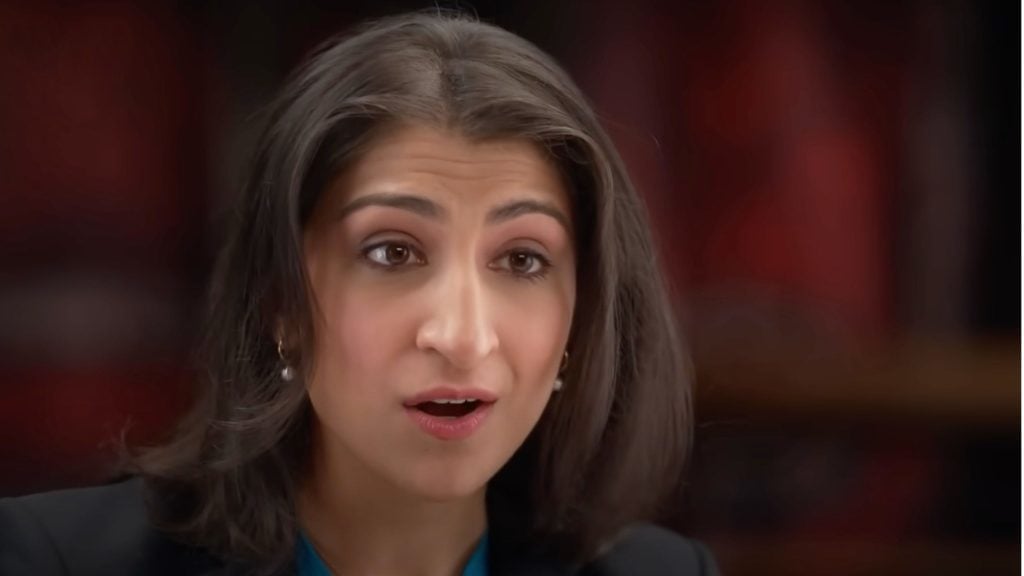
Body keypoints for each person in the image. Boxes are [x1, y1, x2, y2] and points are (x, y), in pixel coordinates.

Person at [0, 10, 717, 576]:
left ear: (580, 320)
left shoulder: (664, 571)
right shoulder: (50, 559)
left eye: (523, 260)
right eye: (392, 252)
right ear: (280, 297)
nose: (462, 334)